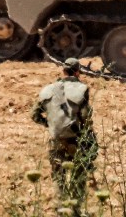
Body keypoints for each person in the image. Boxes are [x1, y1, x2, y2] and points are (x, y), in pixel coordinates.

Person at [31, 58, 98, 211]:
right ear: (77, 72)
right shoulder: (81, 89)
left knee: (59, 177)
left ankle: (61, 209)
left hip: (56, 140)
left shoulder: (48, 90)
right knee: (77, 176)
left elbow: (34, 115)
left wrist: (49, 125)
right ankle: (75, 210)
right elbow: (86, 117)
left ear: (63, 71)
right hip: (75, 140)